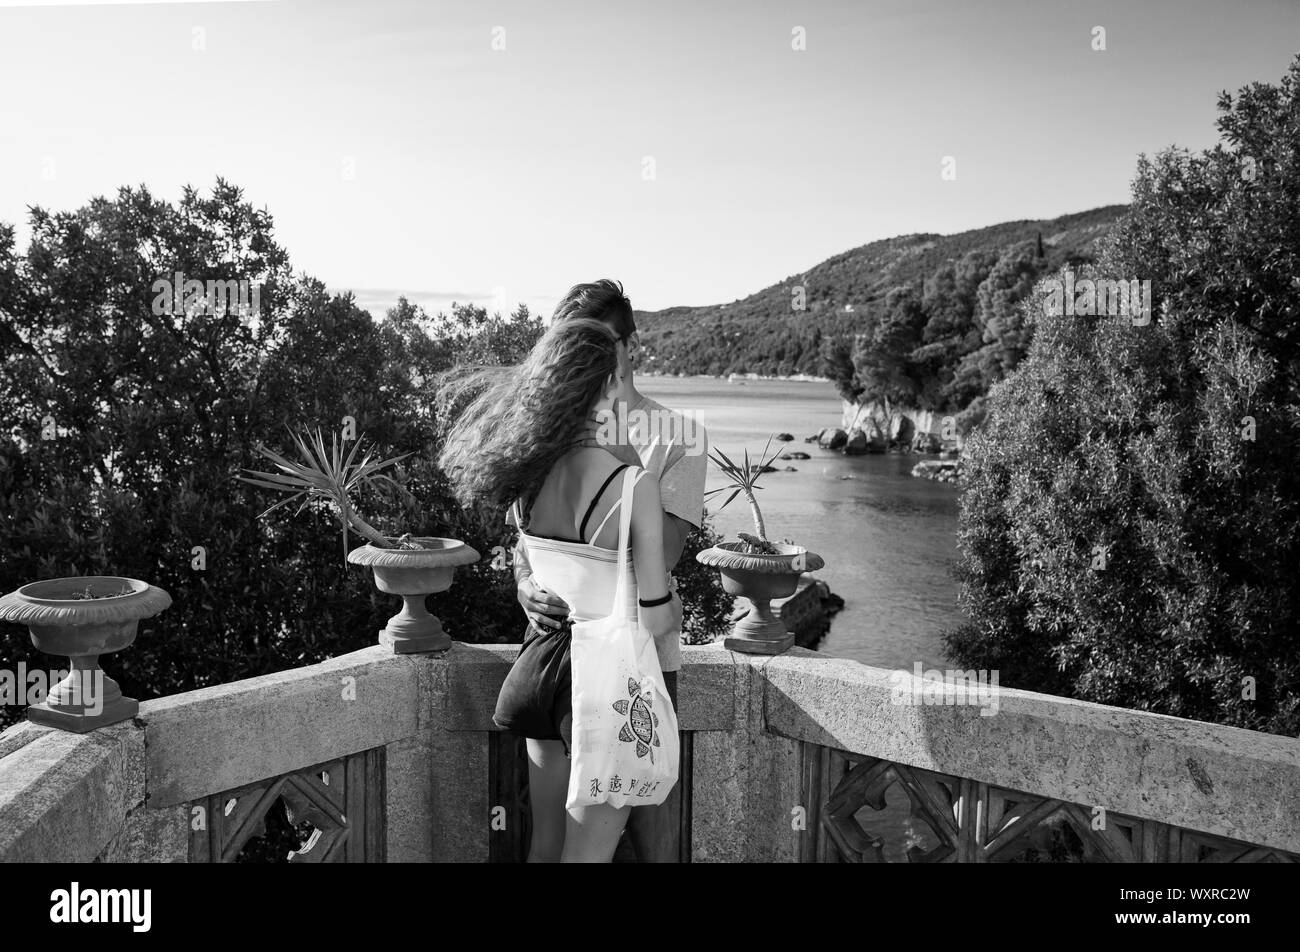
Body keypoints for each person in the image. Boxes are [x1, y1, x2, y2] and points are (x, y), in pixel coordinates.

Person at [438, 300, 679, 863]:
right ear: (601, 386)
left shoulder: (523, 473)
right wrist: (673, 601)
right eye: (616, 378)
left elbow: (530, 564)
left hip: (538, 670)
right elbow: (656, 613)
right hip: (599, 690)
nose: (623, 392)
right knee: (587, 856)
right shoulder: (634, 485)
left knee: (544, 845)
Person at [515, 280, 707, 863]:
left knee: (647, 846)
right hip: (577, 654)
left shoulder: (679, 434)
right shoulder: (543, 437)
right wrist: (524, 585)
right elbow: (524, 549)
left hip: (630, 664)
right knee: (567, 842)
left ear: (628, 346)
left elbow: (667, 552)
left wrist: (624, 460)